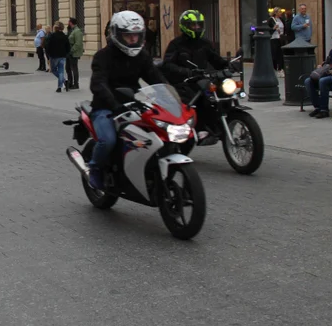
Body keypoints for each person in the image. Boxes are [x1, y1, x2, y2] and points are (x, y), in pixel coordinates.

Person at [86, 11, 164, 191]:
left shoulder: (141, 56)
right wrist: (114, 105)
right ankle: (95, 168)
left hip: (135, 105)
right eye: (128, 36)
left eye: (136, 35)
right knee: (108, 140)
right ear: (116, 34)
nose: (132, 39)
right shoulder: (103, 56)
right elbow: (98, 83)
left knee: (158, 133)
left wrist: (173, 96)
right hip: (106, 108)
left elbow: (155, 77)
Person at [160, 10, 232, 141]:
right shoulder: (176, 44)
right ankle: (200, 128)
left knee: (222, 92)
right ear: (185, 26)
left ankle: (223, 120)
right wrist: (186, 72)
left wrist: (228, 65)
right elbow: (168, 65)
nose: (197, 28)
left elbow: (215, 59)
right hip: (182, 82)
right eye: (193, 25)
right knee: (199, 99)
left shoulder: (205, 43)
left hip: (201, 79)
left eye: (199, 25)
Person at [304, 32, 332, 119]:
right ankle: (318, 107)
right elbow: (328, 62)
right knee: (308, 81)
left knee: (323, 81)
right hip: (329, 74)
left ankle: (324, 109)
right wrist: (322, 66)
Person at [45, 22, 71, 93]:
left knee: (53, 70)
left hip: (54, 56)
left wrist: (48, 55)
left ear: (56, 28)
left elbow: (48, 46)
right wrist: (66, 53)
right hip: (62, 56)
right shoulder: (64, 36)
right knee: (61, 71)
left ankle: (64, 81)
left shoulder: (52, 36)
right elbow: (68, 47)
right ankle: (60, 87)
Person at [66, 18, 84, 90]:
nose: (68, 23)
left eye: (68, 22)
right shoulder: (71, 30)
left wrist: (71, 50)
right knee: (67, 68)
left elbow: (78, 43)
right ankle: (70, 82)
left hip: (73, 53)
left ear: (71, 22)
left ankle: (76, 84)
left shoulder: (77, 31)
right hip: (68, 52)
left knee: (74, 68)